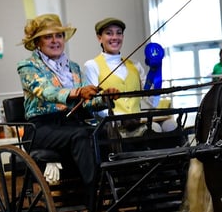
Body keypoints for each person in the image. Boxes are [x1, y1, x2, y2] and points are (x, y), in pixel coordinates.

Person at [18, 13, 119, 195]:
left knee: (104, 131)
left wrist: (105, 99)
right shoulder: (28, 67)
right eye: (48, 36)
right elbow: (47, 92)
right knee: (80, 135)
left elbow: (85, 103)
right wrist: (78, 92)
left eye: (59, 36)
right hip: (41, 128)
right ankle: (93, 195)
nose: (55, 41)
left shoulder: (73, 67)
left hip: (71, 123)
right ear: (37, 42)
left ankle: (112, 186)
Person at [83, 18, 176, 132]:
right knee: (153, 129)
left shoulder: (135, 65)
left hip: (139, 122)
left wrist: (155, 72)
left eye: (119, 33)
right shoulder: (92, 65)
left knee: (170, 126)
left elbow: (151, 102)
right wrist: (122, 119)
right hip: (113, 128)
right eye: (109, 33)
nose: (115, 37)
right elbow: (96, 106)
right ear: (99, 37)